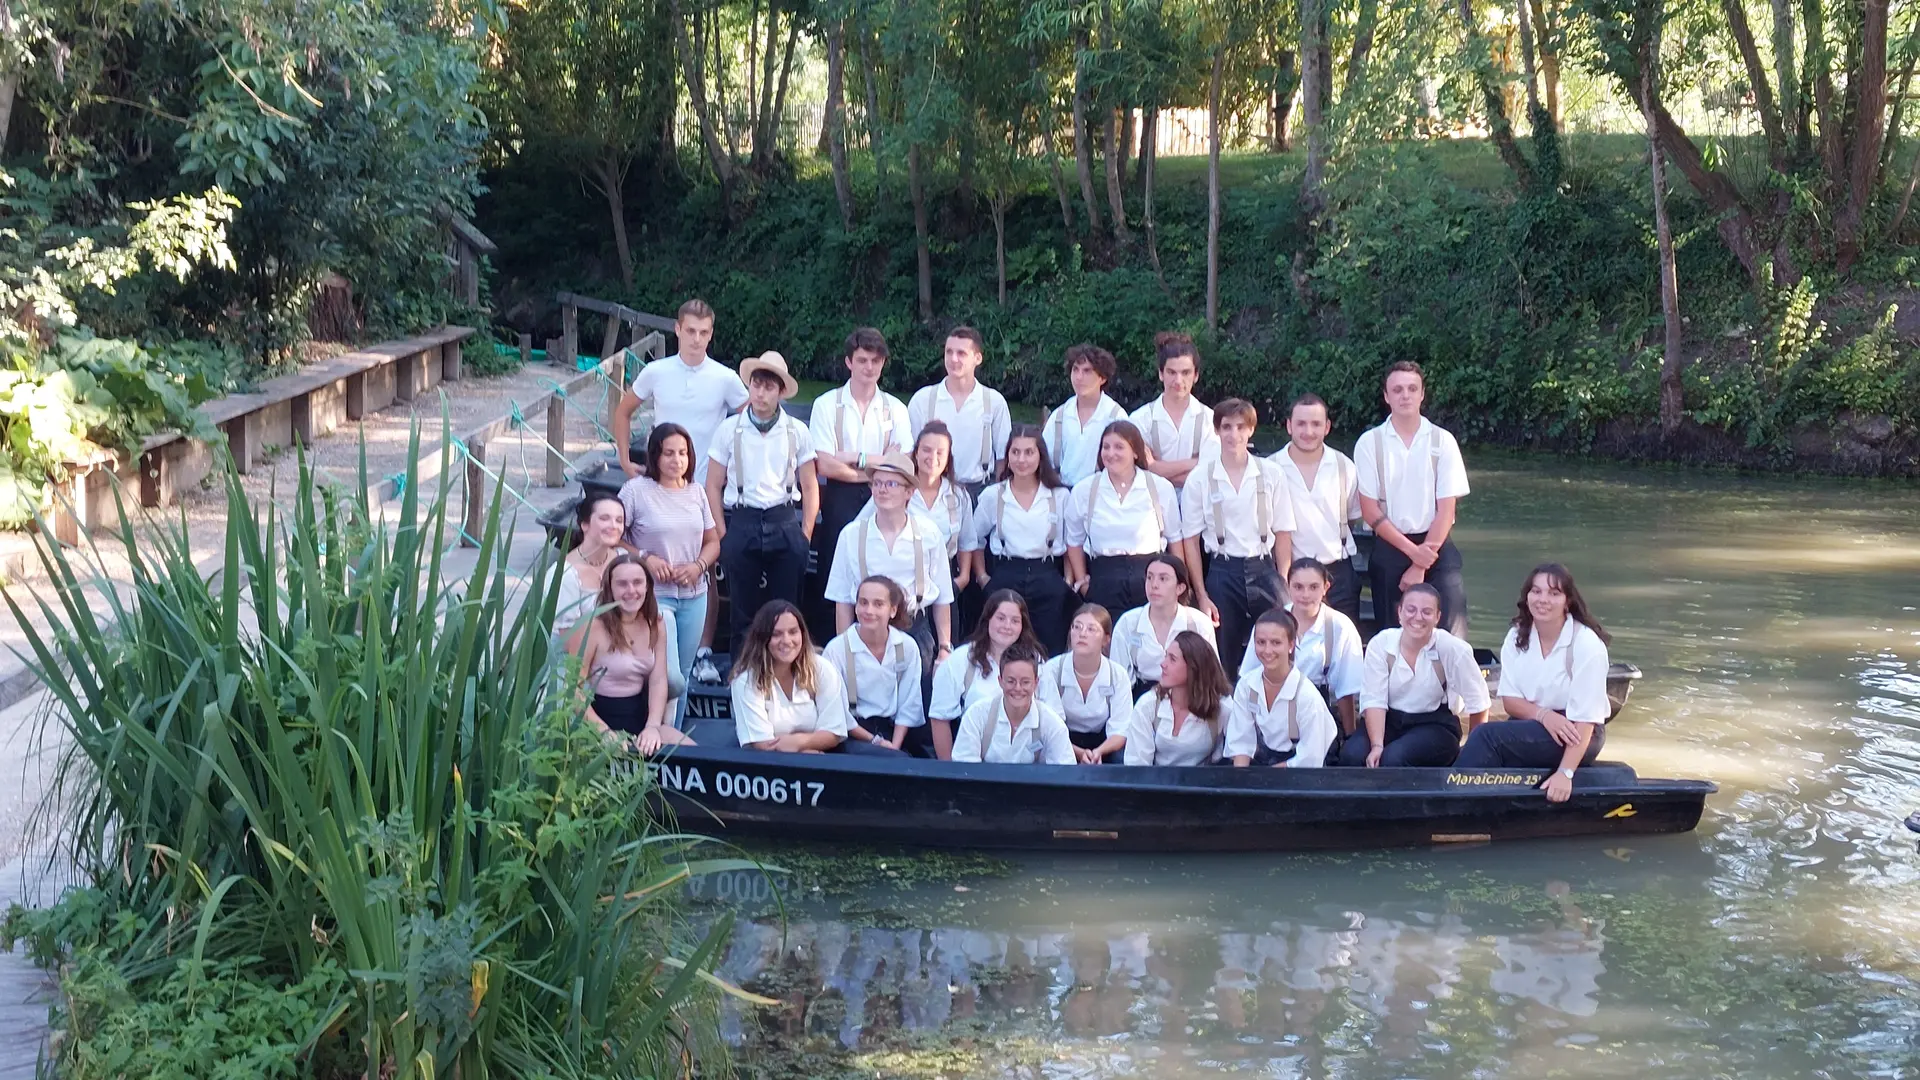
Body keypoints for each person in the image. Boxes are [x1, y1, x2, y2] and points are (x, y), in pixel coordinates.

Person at [1455, 564, 1613, 801]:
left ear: (1567, 601)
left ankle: (1449, 800)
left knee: (1486, 736)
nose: (1543, 600)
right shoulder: (1517, 635)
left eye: (1554, 593)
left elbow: (1587, 719)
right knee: (1482, 744)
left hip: (1578, 732)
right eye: (1536, 591)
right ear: (1527, 596)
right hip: (1534, 722)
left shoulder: (1587, 644)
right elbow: (1510, 701)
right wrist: (1544, 716)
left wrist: (1565, 773)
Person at [705, 352, 819, 661]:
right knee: (742, 610)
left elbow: (810, 485)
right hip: (742, 519)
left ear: (781, 391)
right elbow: (713, 485)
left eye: (769, 387)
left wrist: (805, 534)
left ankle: (788, 671)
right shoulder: (730, 429)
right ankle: (742, 674)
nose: (760, 393)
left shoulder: (797, 431)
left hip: (784, 520)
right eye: (756, 385)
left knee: (787, 610)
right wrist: (723, 533)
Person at [808, 328, 912, 641]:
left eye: (876, 361)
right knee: (836, 567)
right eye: (863, 360)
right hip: (840, 495)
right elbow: (824, 463)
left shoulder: (896, 408)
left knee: (881, 562)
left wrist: (855, 456)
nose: (869, 367)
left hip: (887, 494)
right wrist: (873, 469)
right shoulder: (827, 405)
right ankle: (834, 642)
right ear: (849, 362)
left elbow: (902, 460)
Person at [1354, 361, 1471, 636]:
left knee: (1451, 626)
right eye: (1397, 390)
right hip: (1391, 546)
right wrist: (1410, 552)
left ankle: (1448, 676)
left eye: (1411, 389)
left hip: (1436, 545)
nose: (1404, 395)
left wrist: (1420, 562)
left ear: (1422, 394)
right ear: (1386, 396)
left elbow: (1446, 509)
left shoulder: (1443, 441)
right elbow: (1370, 511)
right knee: (1391, 633)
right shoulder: (1370, 443)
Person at [1181, 399, 1295, 673]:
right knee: (1223, 653)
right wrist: (1202, 594)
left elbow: (1282, 531)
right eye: (1227, 427)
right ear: (1217, 431)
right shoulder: (1200, 478)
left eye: (1240, 427)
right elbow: (1190, 542)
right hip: (1222, 570)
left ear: (1251, 430)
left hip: (1264, 567)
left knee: (1279, 644)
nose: (1233, 434)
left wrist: (1283, 580)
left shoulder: (1271, 473)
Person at [824, 452, 956, 678]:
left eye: (891, 483)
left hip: (914, 631)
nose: (882, 489)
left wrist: (944, 647)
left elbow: (943, 595)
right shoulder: (851, 535)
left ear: (909, 492)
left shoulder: (929, 533)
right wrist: (846, 648)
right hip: (866, 633)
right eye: (877, 483)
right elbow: (842, 598)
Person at [621, 422, 719, 718]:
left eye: (682, 453)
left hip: (693, 594)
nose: (676, 460)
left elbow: (713, 542)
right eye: (668, 453)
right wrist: (645, 558)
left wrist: (699, 565)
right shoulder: (636, 491)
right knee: (669, 675)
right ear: (655, 456)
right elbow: (616, 538)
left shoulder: (697, 492)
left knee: (684, 676)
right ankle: (649, 728)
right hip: (654, 596)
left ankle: (671, 740)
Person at [1339, 584, 1489, 767]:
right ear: (1400, 613)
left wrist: (1471, 755)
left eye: (1427, 612)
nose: (1418, 617)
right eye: (1411, 610)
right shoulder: (1381, 644)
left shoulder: (1453, 649)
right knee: (1352, 755)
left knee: (1394, 759)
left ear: (1437, 617)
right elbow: (1374, 699)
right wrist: (1377, 745)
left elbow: (1479, 703)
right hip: (1390, 720)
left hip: (1435, 724)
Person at [612, 299, 748, 485]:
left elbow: (754, 421)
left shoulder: (726, 378)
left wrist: (733, 466)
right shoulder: (655, 371)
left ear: (711, 335)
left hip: (704, 488)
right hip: (659, 482)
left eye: (703, 332)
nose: (697, 339)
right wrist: (624, 460)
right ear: (678, 329)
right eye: (691, 331)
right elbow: (623, 412)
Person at [570, 553, 694, 755]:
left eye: (637, 583)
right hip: (598, 720)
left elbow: (658, 679)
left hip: (640, 718)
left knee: (693, 755)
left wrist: (653, 726)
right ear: (610, 588)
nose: (631, 591)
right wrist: (602, 731)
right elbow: (572, 689)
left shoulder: (656, 624)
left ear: (647, 586)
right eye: (622, 584)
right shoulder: (592, 627)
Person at [965, 425, 1074, 654]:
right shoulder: (993, 495)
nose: (1021, 459)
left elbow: (1070, 541)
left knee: (1048, 647)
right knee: (1002, 645)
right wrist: (984, 578)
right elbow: (974, 539)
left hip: (1047, 577)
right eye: (1015, 452)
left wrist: (1067, 582)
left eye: (1028, 452)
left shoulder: (1059, 496)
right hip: (1006, 574)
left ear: (1040, 456)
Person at [860, 421, 976, 632]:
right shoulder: (896, 489)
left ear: (948, 458)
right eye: (926, 450)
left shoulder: (958, 496)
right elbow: (861, 528)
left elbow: (968, 540)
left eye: (940, 452)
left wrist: (963, 578)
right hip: (902, 581)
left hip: (944, 581)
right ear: (915, 453)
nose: (933, 458)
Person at [1063, 421, 1184, 615]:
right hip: (1104, 579)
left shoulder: (1159, 487)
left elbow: (1175, 538)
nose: (1111, 453)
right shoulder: (1084, 490)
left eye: (1119, 447)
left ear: (1135, 452)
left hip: (1150, 576)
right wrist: (1083, 582)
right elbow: (1074, 540)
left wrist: (1178, 581)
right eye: (1106, 447)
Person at [1238, 558, 1365, 741]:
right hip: (1273, 706)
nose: (1305, 594)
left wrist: (1349, 735)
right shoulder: (1270, 622)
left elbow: (1346, 690)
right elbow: (1249, 676)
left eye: (1313, 587)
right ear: (1288, 587)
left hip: (1318, 710)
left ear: (1325, 587)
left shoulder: (1340, 626)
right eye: (1298, 587)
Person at [1272, 393, 1363, 625]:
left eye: (1316, 424)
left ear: (1327, 427)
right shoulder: (1270, 468)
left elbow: (1351, 517)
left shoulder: (1345, 467)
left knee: (1342, 643)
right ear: (1289, 426)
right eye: (1301, 423)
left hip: (1338, 571)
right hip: (1290, 573)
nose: (1308, 431)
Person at [928, 589, 1045, 760]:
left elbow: (1049, 719)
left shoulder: (1037, 661)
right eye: (1001, 618)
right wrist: (950, 772)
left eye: (1015, 621)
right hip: (975, 762)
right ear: (987, 619)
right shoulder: (961, 659)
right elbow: (939, 718)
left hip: (1026, 765)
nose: (1007, 626)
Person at [825, 576, 929, 757]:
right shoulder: (837, 649)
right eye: (863, 603)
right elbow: (838, 713)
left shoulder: (907, 646)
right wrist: (876, 742)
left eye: (878, 604)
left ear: (893, 610)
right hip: (853, 734)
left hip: (893, 732)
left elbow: (908, 703)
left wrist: (894, 745)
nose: (869, 610)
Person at [732, 600, 851, 753]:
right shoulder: (745, 681)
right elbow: (761, 744)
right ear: (762, 638)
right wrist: (804, 753)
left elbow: (834, 732)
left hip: (821, 759)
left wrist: (799, 743)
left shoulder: (823, 668)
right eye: (776, 634)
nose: (787, 641)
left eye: (793, 632)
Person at [908, 326, 1011, 499]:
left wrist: (999, 497)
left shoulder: (994, 402)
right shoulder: (923, 399)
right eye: (949, 352)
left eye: (961, 353)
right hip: (932, 489)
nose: (953, 359)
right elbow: (910, 453)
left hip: (979, 490)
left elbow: (1003, 456)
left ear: (977, 358)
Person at [1226, 609, 1338, 768]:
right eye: (1261, 642)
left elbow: (1311, 758)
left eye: (1276, 642)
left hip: (1301, 774)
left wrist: (1269, 778)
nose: (1267, 651)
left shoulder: (1307, 696)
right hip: (1261, 766)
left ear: (1291, 645)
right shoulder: (1246, 686)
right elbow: (1241, 743)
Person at [1121, 630, 1237, 766]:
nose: (1163, 664)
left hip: (1205, 783)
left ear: (1194, 667)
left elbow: (1241, 751)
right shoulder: (1148, 705)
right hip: (1156, 783)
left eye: (1172, 659)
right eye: (1166, 656)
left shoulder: (1223, 706)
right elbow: (1137, 765)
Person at [1110, 554, 1218, 699]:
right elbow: (1120, 679)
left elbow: (1211, 674)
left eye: (1163, 578)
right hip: (1141, 695)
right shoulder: (1128, 623)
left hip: (1190, 696)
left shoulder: (1199, 623)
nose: (1154, 585)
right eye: (1149, 577)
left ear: (1180, 588)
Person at [951, 642, 1076, 765]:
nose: (1017, 688)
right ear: (1000, 681)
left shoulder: (1052, 723)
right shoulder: (976, 716)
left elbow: (1065, 773)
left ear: (1036, 683)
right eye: (1011, 681)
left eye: (1025, 682)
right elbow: (964, 772)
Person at [1037, 605, 1132, 763]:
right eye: (1077, 627)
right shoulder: (1052, 670)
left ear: (1106, 639)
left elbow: (1121, 729)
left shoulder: (1118, 674)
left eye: (1091, 629)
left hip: (1105, 743)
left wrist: (1098, 752)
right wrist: (1080, 754)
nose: (1082, 634)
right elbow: (1051, 727)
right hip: (1063, 740)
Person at [1129, 332, 1218, 495]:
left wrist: (1155, 467)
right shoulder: (1139, 420)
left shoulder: (1210, 420)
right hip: (1152, 505)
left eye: (1185, 373)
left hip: (1199, 506)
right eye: (1171, 372)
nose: (1178, 381)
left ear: (1196, 375)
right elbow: (1137, 473)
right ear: (1161, 373)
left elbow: (1210, 474)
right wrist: (1194, 463)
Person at [1043, 344, 1129, 487]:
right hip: (1063, 492)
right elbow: (1044, 461)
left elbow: (1125, 464)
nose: (1079, 377)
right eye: (1075, 370)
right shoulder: (1059, 416)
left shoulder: (1116, 416)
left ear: (1102, 378)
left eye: (1087, 371)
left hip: (1101, 494)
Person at [554, 492, 630, 640]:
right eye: (604, 518)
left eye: (619, 520)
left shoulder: (622, 558)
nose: (614, 526)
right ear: (584, 524)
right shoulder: (567, 574)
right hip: (574, 656)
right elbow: (569, 638)